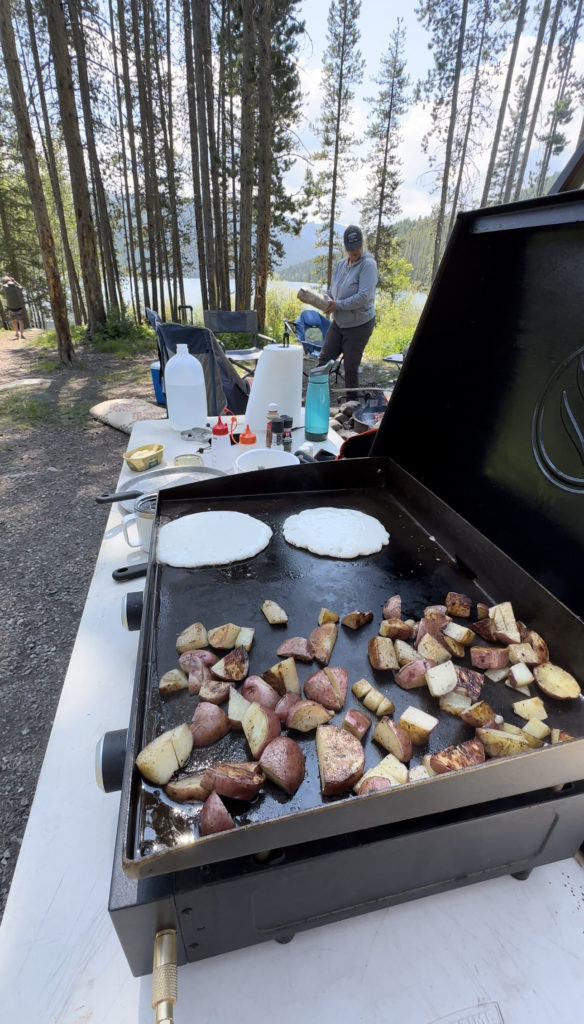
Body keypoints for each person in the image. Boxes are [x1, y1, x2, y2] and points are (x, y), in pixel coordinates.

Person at [317, 225, 378, 401]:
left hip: (359, 325)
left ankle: (352, 407)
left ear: (362, 243)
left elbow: (363, 297)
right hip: (338, 323)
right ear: (345, 247)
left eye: (357, 246)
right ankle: (319, 399)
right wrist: (326, 299)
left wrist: (338, 305)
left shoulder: (368, 265)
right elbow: (332, 290)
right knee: (323, 361)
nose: (354, 251)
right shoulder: (341, 265)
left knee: (351, 367)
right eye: (350, 248)